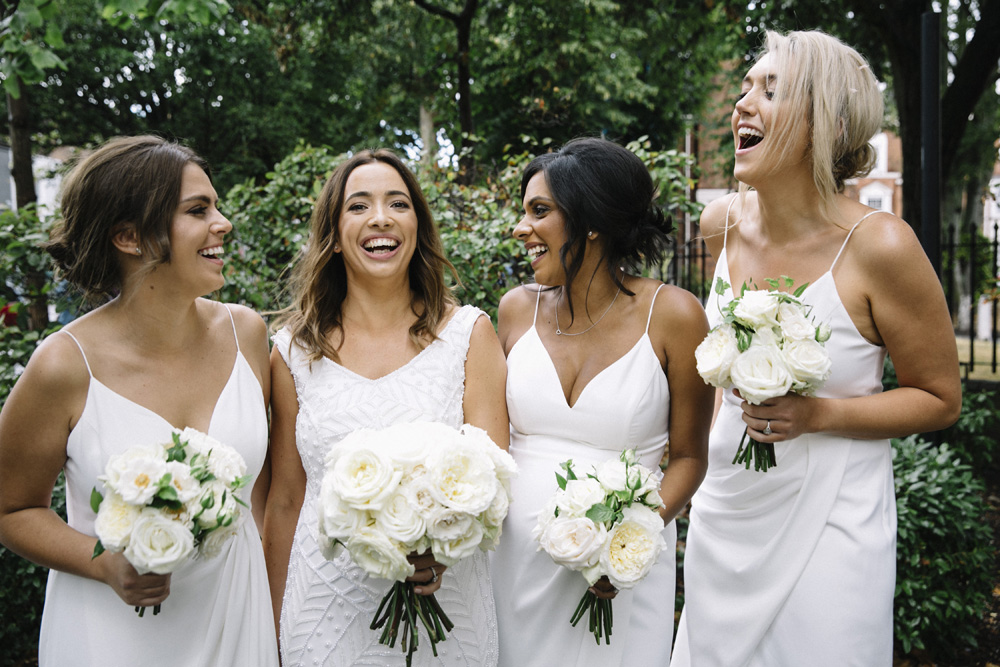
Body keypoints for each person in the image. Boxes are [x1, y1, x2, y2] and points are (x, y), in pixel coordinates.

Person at [671, 30, 963, 666]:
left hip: (833, 517)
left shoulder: (880, 246)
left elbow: (940, 398)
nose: (742, 104)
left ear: (824, 122)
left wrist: (816, 414)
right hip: (727, 510)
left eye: (769, 91)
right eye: (745, 87)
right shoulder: (721, 224)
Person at [0, 135, 278, 666]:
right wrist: (103, 563)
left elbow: (262, 482)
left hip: (235, 618)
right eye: (199, 210)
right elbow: (12, 509)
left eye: (216, 206)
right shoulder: (64, 365)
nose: (224, 223)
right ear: (129, 237)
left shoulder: (246, 334)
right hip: (112, 634)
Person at [264, 148, 509, 666]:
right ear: (332, 235)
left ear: (417, 226)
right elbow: (285, 501)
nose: (380, 217)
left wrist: (440, 549)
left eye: (398, 203)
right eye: (359, 206)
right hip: (325, 610)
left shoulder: (468, 335)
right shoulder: (293, 351)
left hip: (445, 603)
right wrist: (272, 629)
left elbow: (495, 485)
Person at [491, 136, 714, 666]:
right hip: (511, 567)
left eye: (539, 211)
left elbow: (689, 458)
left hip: (615, 579)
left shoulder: (675, 316)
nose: (521, 228)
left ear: (590, 222)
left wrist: (625, 542)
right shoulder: (514, 311)